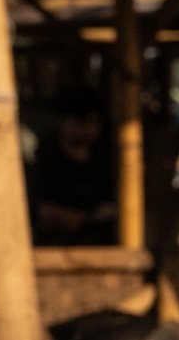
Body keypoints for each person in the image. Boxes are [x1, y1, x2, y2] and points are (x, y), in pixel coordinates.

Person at [27, 84, 118, 246]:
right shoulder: (46, 165)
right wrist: (90, 220)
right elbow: (46, 214)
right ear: (59, 121)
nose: (90, 129)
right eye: (81, 121)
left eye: (96, 122)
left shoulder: (105, 164)